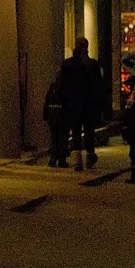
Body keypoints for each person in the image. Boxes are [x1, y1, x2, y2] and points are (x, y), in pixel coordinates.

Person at [56, 38, 105, 170]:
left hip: (73, 104)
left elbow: (62, 85)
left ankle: (77, 159)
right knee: (89, 130)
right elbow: (99, 86)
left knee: (76, 131)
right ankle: (89, 155)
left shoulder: (68, 64)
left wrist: (63, 101)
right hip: (89, 104)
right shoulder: (92, 65)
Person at [42, 78, 66, 167]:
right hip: (62, 116)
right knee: (62, 139)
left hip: (52, 116)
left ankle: (53, 158)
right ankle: (61, 159)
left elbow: (46, 103)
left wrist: (46, 115)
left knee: (54, 138)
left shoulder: (51, 90)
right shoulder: (65, 89)